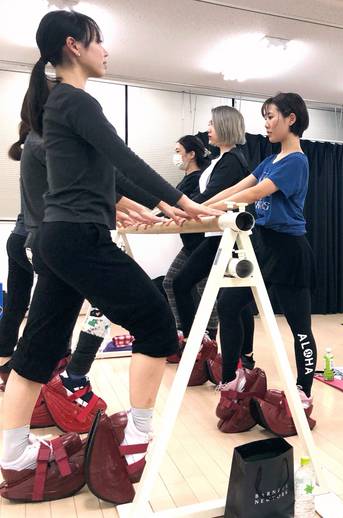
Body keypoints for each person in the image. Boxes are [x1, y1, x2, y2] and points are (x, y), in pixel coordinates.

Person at [0, 10, 220, 504]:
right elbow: (125, 158)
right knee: (157, 323)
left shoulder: (58, 105)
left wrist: (154, 207)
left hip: (62, 239)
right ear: (74, 45)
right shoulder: (75, 100)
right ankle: (138, 438)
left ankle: (13, 458)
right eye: (99, 41)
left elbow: (106, 176)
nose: (106, 51)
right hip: (78, 238)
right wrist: (183, 201)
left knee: (37, 351)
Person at [202, 93, 318, 432]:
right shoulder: (270, 160)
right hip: (262, 246)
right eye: (264, 117)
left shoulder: (296, 161)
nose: (266, 124)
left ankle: (304, 392)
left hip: (290, 250)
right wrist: (198, 207)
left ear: (291, 118)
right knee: (228, 304)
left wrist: (206, 209)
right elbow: (239, 186)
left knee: (299, 327)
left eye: (271, 116)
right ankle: (232, 378)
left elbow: (254, 193)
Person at [172, 107, 249, 355]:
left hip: (227, 238)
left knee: (231, 301)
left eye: (212, 124)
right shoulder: (220, 160)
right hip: (214, 236)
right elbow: (203, 196)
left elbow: (211, 195)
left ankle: (235, 354)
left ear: (225, 126)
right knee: (182, 284)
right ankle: (197, 342)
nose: (208, 129)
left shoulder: (233, 160)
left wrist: (184, 211)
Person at [161, 135, 219, 344]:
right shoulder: (184, 181)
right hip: (189, 245)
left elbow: (189, 206)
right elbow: (172, 206)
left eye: (178, 151)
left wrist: (167, 213)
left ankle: (209, 335)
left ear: (191, 154)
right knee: (170, 282)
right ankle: (183, 329)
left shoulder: (199, 178)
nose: (175, 156)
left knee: (204, 290)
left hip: (201, 243)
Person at [0, 122, 35, 388]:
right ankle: (18, 364)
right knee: (49, 305)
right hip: (30, 240)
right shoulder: (43, 154)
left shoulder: (30, 156)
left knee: (16, 304)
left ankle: (4, 357)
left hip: (17, 239)